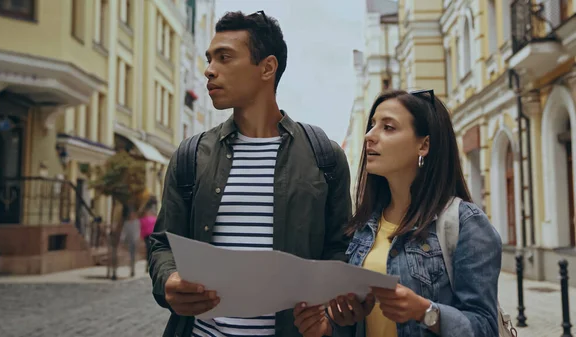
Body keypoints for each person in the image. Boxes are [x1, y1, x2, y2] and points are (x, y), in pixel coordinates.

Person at [148, 10, 352, 337]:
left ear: (267, 68)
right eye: (209, 58)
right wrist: (169, 279)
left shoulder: (324, 157)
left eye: (224, 58)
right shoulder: (191, 155)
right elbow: (162, 244)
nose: (209, 70)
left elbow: (340, 248)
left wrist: (327, 313)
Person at [292, 89, 502, 337]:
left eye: (388, 128)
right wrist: (329, 326)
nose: (370, 136)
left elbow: (485, 327)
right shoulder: (364, 227)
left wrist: (425, 311)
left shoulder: (465, 223)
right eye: (372, 126)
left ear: (423, 145)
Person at [139, 196, 158, 272]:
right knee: (149, 250)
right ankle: (149, 265)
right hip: (149, 236)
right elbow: (142, 228)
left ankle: (150, 265)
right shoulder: (145, 219)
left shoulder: (153, 218)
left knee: (150, 250)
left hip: (151, 236)